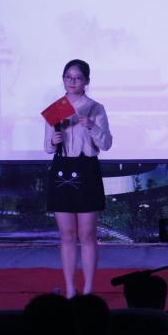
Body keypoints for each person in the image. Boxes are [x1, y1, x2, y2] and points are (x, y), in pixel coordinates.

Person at [43, 59, 113, 297]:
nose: (72, 81)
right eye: (68, 77)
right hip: (62, 167)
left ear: (86, 81)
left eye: (78, 78)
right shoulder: (56, 108)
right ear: (63, 79)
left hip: (86, 169)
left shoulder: (95, 108)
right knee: (67, 235)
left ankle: (89, 289)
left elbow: (107, 144)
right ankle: (71, 290)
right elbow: (47, 147)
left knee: (87, 234)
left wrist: (91, 125)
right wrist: (53, 141)